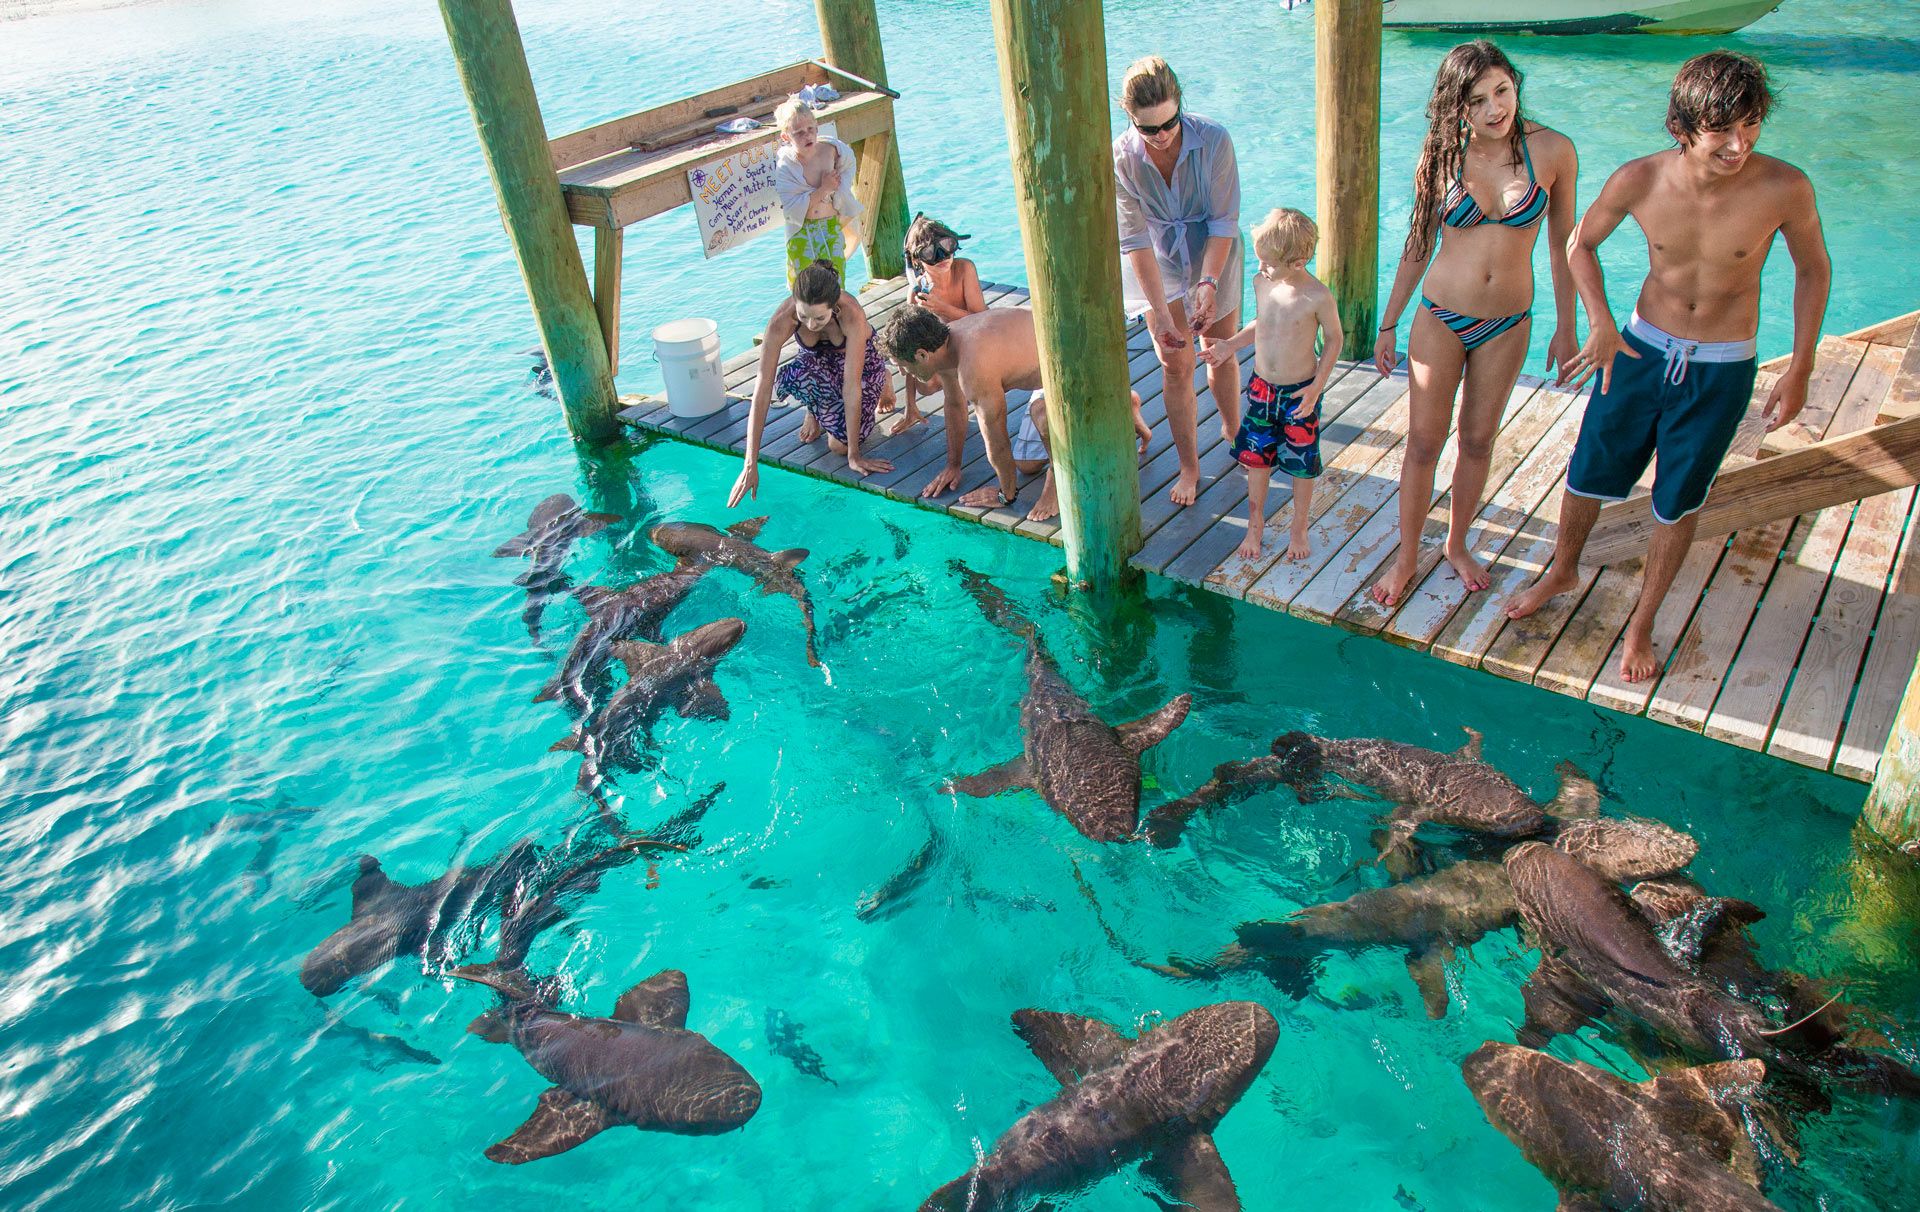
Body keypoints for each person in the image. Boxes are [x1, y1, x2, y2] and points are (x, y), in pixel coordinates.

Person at [1504, 51, 1830, 683]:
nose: (1740, 144)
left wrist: (1802, 367)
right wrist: (1599, 320)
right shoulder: (1640, 180)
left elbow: (1813, 269)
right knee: (1589, 469)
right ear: (1684, 127)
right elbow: (1581, 245)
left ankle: (1642, 624)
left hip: (1721, 366)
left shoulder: (1784, 188)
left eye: (1752, 125)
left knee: (1677, 500)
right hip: (1638, 349)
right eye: (1723, 130)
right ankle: (1563, 569)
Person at [1370, 41, 1579, 607]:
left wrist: (1569, 326)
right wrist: (1388, 324)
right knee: (1422, 443)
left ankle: (1456, 544)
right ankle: (1408, 555)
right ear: (1456, 108)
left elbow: (1565, 248)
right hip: (1439, 314)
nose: (1494, 109)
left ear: (1515, 83)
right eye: (1477, 100)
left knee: (1479, 440)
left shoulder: (1554, 151)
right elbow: (1419, 243)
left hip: (1508, 322)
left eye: (1502, 91)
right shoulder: (1442, 155)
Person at [1112, 55, 1244, 507]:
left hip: (1215, 251)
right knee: (1175, 364)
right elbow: (1133, 241)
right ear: (1130, 118)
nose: (1162, 135)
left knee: (1220, 352)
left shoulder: (1215, 139)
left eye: (1169, 122)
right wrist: (1165, 313)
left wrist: (1207, 283)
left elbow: (1225, 221)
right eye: (1148, 128)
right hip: (1157, 262)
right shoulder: (1121, 158)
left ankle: (1232, 429)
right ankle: (1190, 465)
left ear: (1180, 104)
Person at [880, 306, 1151, 522]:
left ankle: (1058, 483)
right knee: (1027, 464)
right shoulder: (946, 343)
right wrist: (954, 464)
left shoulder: (974, 366)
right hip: (1053, 372)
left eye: (902, 366)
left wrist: (1005, 495)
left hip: (1086, 363)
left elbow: (996, 438)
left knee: (1042, 414)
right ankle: (1123, 403)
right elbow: (953, 405)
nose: (903, 373)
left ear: (922, 354)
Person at [1201, 208, 1343, 561]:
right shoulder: (1262, 282)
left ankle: (1299, 526)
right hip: (1263, 389)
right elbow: (1261, 324)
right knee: (1257, 458)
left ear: (1299, 262)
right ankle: (1255, 524)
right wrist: (1229, 345)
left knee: (1301, 462)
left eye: (1268, 263)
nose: (1261, 268)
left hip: (1300, 393)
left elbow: (1335, 340)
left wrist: (1317, 387)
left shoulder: (1317, 297)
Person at [728, 260, 894, 508]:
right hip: (817, 362)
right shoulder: (781, 320)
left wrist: (854, 454)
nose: (810, 324)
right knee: (790, 377)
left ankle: (884, 379)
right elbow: (762, 388)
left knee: (838, 446)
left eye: (819, 318)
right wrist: (750, 463)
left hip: (860, 365)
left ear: (834, 307)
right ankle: (815, 410)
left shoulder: (851, 314)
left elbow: (851, 388)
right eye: (803, 316)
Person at [892, 214, 986, 430]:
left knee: (963, 377)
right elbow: (910, 352)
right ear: (917, 261)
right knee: (928, 384)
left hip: (976, 341)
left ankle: (962, 392)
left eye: (947, 246)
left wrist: (944, 310)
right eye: (930, 253)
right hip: (946, 353)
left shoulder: (964, 270)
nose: (943, 256)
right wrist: (910, 406)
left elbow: (983, 319)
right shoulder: (917, 293)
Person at [773, 97, 863, 289]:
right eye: (799, 133)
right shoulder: (786, 166)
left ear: (817, 127)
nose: (807, 136)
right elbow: (792, 209)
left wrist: (840, 190)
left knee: (835, 279)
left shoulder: (831, 151)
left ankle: (836, 316)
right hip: (803, 231)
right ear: (786, 137)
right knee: (805, 286)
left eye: (810, 129)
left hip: (830, 226)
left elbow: (849, 163)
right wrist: (824, 189)